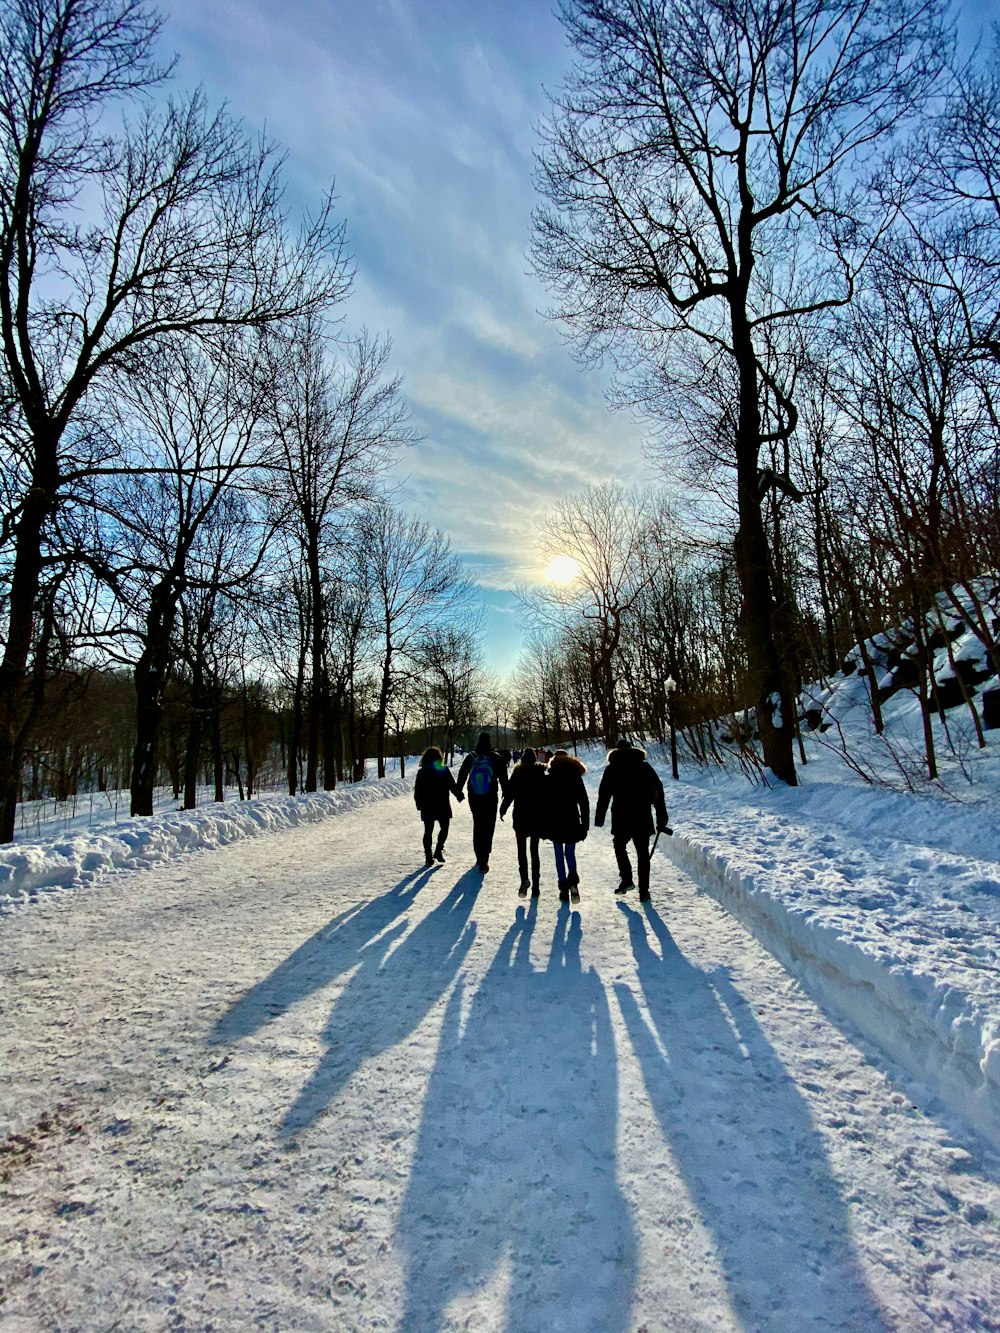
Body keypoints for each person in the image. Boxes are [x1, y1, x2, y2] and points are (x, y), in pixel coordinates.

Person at [593, 738, 669, 902]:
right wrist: (661, 815)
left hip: (621, 815)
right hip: (642, 814)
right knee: (642, 853)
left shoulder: (612, 769)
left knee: (619, 845)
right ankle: (644, 891)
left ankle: (627, 878)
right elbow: (658, 791)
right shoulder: (644, 767)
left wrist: (600, 818)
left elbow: (604, 794)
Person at [456, 731, 510, 873]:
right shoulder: (495, 757)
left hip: (474, 796)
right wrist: (506, 795)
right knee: (489, 825)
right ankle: (484, 859)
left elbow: (462, 775)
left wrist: (458, 792)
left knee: (478, 823)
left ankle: (479, 856)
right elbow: (504, 779)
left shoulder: (471, 757)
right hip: (491, 796)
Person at [499, 747, 547, 896]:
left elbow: (509, 794)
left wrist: (503, 809)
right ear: (534, 759)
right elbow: (547, 796)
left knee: (521, 851)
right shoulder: (540, 773)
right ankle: (536, 886)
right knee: (534, 851)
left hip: (520, 817)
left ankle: (524, 880)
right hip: (537, 818)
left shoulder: (517, 773)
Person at [545, 749, 589, 903]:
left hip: (555, 821)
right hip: (571, 820)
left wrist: (543, 824)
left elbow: (544, 804)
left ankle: (563, 887)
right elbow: (583, 802)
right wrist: (585, 825)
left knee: (558, 854)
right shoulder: (575, 775)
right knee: (570, 853)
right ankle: (573, 883)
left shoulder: (550, 776)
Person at [413, 745, 464, 866]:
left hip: (427, 805)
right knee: (444, 829)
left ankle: (428, 857)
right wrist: (459, 795)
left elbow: (417, 790)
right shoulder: (443, 769)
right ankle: (438, 850)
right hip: (442, 804)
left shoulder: (422, 772)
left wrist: (418, 804)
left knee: (428, 831)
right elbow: (451, 785)